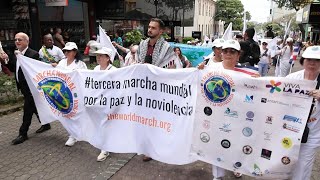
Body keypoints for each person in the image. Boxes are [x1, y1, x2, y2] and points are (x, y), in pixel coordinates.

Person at [286, 46, 320, 180]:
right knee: (284, 164)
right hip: (289, 130)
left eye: (317, 60)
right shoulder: (292, 78)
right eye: (309, 59)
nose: (312, 63)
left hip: (312, 134)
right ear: (303, 60)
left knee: (303, 168)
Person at [8, 32, 47, 145]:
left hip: (32, 89)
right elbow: (12, 68)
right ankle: (45, 124)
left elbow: (38, 71)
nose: (17, 42)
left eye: (20, 39)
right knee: (33, 106)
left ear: (27, 41)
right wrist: (5, 61)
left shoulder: (33, 54)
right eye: (16, 40)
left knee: (27, 110)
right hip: (23, 88)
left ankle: (23, 133)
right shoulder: (16, 55)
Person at [54, 42, 87, 146]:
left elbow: (84, 78)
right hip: (63, 93)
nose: (66, 53)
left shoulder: (80, 64)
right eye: (65, 51)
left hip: (76, 93)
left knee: (77, 114)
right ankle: (72, 134)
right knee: (67, 114)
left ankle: (78, 133)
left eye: (69, 51)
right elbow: (57, 75)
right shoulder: (62, 62)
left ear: (75, 52)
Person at [92, 47, 116, 161]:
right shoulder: (96, 68)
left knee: (106, 124)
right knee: (101, 124)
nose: (98, 58)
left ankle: (105, 149)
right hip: (98, 102)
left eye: (101, 56)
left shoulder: (114, 70)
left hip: (109, 103)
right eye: (98, 55)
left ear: (108, 58)